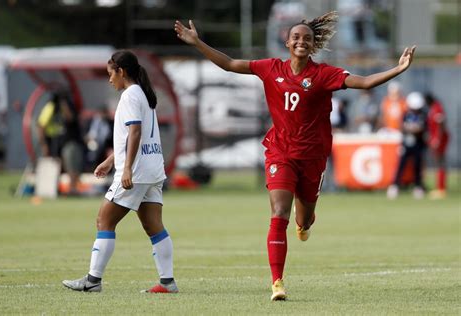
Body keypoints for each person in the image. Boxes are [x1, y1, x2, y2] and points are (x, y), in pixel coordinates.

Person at [175, 11, 416, 301]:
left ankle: (306, 222)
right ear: (287, 42)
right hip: (280, 152)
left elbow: (364, 82)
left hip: (312, 157)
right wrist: (198, 43)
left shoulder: (324, 74)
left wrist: (398, 69)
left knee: (305, 218)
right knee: (279, 213)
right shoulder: (270, 68)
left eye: (307, 39)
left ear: (312, 45)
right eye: (296, 37)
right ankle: (277, 282)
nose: (301, 42)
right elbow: (229, 64)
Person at [62, 50, 178, 293]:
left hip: (136, 172)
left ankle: (93, 281)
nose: (109, 79)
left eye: (110, 74)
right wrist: (109, 160)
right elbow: (136, 135)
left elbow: (134, 132)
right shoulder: (144, 94)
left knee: (104, 220)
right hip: (153, 168)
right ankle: (168, 282)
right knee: (153, 225)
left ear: (121, 71)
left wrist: (126, 169)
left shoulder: (129, 96)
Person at [37, 92, 85, 195]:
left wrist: (64, 104)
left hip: (65, 141)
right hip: (53, 142)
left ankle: (71, 189)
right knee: (56, 165)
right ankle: (53, 189)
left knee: (70, 164)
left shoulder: (68, 107)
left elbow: (70, 118)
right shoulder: (51, 107)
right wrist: (44, 145)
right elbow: (41, 125)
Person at [386, 92, 427, 200]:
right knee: (401, 165)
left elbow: (421, 129)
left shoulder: (422, 115)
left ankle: (418, 186)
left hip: (418, 143)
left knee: (417, 165)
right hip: (406, 143)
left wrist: (412, 129)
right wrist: (411, 129)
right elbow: (402, 127)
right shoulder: (406, 114)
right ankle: (395, 185)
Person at [425, 93, 450, 199]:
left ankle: (441, 188)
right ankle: (440, 187)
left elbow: (441, 125)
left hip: (440, 139)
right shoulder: (434, 108)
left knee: (439, 162)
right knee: (438, 162)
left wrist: (437, 139)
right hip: (437, 138)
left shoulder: (437, 108)